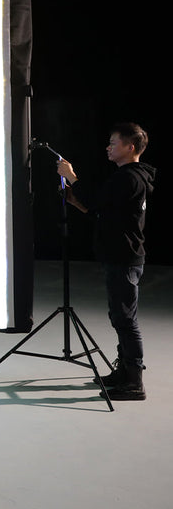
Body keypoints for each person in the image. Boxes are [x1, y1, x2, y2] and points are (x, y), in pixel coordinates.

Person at [57, 122, 156, 401]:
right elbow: (103, 210)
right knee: (119, 317)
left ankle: (134, 381)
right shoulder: (129, 177)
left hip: (124, 257)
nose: (108, 147)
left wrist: (72, 176)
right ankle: (123, 372)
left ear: (130, 147)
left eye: (113, 143)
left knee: (125, 319)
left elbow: (97, 199)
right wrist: (76, 202)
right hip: (121, 256)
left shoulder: (129, 177)